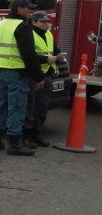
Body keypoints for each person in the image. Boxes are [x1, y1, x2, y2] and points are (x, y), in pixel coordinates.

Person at [0, 0, 44, 156]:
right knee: (17, 106)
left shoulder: (1, 24)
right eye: (28, 8)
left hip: (0, 70)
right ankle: (14, 144)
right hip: (17, 72)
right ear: (19, 9)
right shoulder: (23, 26)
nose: (31, 12)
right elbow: (29, 55)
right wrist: (38, 77)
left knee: (1, 104)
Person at [23, 11, 64, 148]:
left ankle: (36, 133)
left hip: (47, 74)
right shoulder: (29, 34)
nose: (46, 23)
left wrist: (59, 55)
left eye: (46, 21)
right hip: (34, 74)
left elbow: (54, 49)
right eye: (42, 21)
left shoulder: (48, 34)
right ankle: (26, 136)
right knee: (30, 106)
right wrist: (46, 59)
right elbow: (30, 55)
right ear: (34, 22)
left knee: (42, 106)